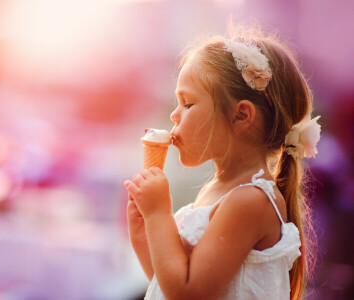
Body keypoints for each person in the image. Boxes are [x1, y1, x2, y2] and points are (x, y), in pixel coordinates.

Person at [123, 28, 321, 300]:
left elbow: (187, 293)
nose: (173, 115)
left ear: (241, 116)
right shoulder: (219, 192)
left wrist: (159, 215)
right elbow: (169, 284)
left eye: (188, 103)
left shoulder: (250, 201)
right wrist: (143, 236)